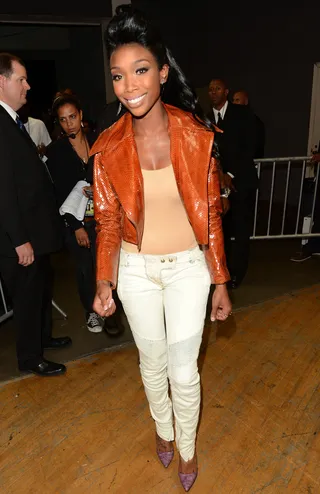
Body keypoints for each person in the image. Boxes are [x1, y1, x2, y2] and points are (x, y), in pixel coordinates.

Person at [90, 6, 232, 491]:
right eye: (118, 76)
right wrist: (103, 281)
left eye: (141, 70)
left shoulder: (197, 136)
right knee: (151, 365)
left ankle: (187, 448)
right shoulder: (106, 148)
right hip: (134, 271)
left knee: (183, 370)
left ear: (163, 72)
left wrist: (220, 281)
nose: (129, 86)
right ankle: (164, 431)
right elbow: (107, 220)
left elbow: (211, 215)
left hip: (190, 269)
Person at [0, 52, 71, 377]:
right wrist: (20, 241)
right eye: (21, 79)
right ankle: (30, 358)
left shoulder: (12, 120)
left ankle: (42, 339)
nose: (28, 86)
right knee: (27, 298)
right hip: (21, 238)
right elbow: (3, 192)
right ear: (2, 82)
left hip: (35, 231)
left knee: (41, 289)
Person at [46, 93, 122, 336]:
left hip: (102, 217)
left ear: (80, 115)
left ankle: (111, 312)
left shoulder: (97, 140)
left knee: (106, 266)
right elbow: (57, 194)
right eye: (63, 120)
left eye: (72, 117)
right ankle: (92, 311)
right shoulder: (55, 151)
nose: (69, 124)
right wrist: (75, 226)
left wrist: (98, 187)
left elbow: (113, 173)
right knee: (84, 270)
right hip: (75, 221)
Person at [208, 78, 258, 289]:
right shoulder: (205, 118)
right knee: (222, 231)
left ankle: (238, 273)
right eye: (210, 89)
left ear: (226, 92)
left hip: (241, 182)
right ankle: (223, 274)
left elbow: (249, 147)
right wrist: (219, 174)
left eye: (217, 88)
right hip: (217, 185)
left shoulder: (241, 114)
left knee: (241, 230)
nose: (213, 92)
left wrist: (229, 173)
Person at [232, 89, 265, 159]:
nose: (234, 103)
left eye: (237, 100)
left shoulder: (253, 121)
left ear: (246, 102)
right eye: (233, 100)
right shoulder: (231, 120)